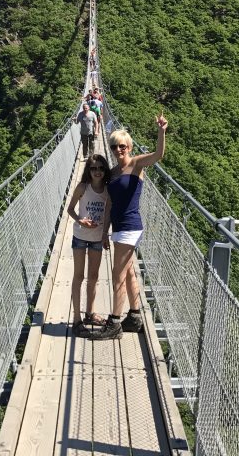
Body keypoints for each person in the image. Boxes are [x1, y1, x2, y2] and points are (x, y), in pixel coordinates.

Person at [90, 114, 167, 340]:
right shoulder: (112, 173)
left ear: (129, 147)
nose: (117, 150)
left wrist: (161, 131)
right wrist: (104, 232)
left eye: (122, 146)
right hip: (118, 227)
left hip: (130, 226)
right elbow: (109, 203)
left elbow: (158, 155)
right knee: (130, 272)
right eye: (114, 146)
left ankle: (114, 323)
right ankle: (134, 317)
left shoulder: (136, 164)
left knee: (118, 275)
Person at [67, 154, 112, 337]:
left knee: (93, 277)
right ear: (88, 170)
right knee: (79, 276)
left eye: (101, 168)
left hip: (96, 237)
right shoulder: (83, 187)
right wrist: (80, 220)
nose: (97, 172)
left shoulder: (108, 191)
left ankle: (89, 314)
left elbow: (108, 214)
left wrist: (105, 235)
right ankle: (77, 319)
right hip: (80, 235)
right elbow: (70, 209)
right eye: (93, 168)